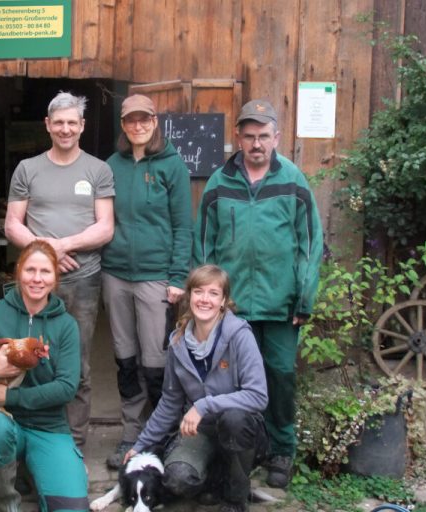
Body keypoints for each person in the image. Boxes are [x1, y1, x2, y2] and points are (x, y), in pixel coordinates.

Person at [194, 99, 323, 488]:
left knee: (280, 378)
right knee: (230, 384)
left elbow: (309, 244)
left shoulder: (293, 181)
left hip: (280, 305)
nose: (256, 143)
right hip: (232, 310)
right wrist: (208, 302)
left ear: (276, 138)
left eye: (263, 136)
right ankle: (241, 453)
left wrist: (304, 298)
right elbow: (205, 247)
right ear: (238, 137)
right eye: (249, 136)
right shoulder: (219, 183)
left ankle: (281, 451)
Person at [4, 91, 115, 448]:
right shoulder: (27, 169)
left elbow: (105, 227)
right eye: (59, 123)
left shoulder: (98, 169)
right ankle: (35, 437)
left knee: (77, 365)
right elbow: (12, 225)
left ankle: (74, 444)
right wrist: (47, 252)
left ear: (82, 126)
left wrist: (62, 245)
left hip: (83, 281)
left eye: (72, 123)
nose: (65, 129)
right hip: (37, 282)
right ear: (48, 125)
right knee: (31, 357)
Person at [125, 265, 269, 512]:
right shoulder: (178, 341)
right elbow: (170, 401)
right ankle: (215, 475)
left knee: (234, 420)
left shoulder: (239, 336)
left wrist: (204, 405)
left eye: (214, 293)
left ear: (223, 301)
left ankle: (235, 499)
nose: (205, 299)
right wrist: (140, 445)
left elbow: (258, 396)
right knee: (176, 479)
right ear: (189, 296)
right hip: (200, 431)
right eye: (199, 291)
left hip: (241, 429)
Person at [0, 240, 89, 512]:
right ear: (18, 272)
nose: (37, 279)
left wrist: (10, 395)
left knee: (72, 508)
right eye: (30, 270)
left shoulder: (66, 325)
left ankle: (32, 467)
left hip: (49, 426)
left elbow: (66, 388)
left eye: (45, 272)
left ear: (55, 278)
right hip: (3, 419)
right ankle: (7, 497)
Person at [101, 94, 193, 469]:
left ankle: (161, 433)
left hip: (156, 275)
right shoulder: (111, 166)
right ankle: (129, 431)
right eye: (130, 120)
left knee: (156, 360)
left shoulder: (173, 166)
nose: (137, 126)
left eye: (144, 119)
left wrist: (177, 277)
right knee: (125, 357)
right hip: (116, 272)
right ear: (123, 125)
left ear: (155, 122)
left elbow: (183, 226)